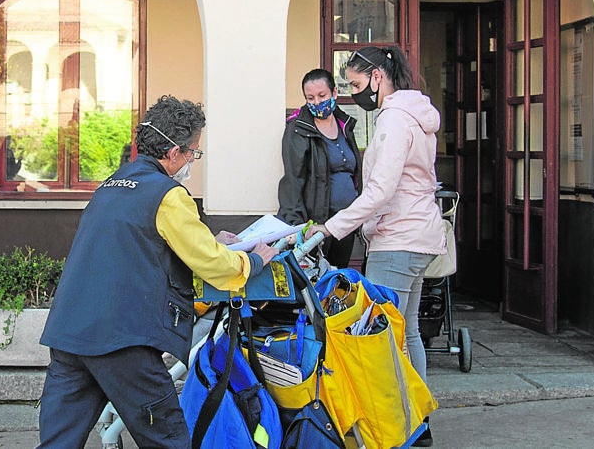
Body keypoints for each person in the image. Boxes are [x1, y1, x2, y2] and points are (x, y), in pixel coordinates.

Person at [38, 95, 280, 449]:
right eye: (193, 153)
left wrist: (211, 240)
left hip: (70, 334)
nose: (192, 161)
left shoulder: (112, 185)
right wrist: (255, 260)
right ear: (173, 153)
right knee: (167, 441)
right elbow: (214, 266)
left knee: (57, 443)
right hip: (123, 342)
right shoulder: (168, 194)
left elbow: (140, 242)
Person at [306, 45, 445, 448]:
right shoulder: (414, 114)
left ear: (378, 77)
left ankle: (403, 430)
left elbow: (380, 190)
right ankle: (418, 422)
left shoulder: (395, 121)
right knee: (409, 333)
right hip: (418, 236)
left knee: (382, 341)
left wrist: (330, 229)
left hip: (398, 240)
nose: (353, 93)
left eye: (355, 83)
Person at [277, 68, 363, 268]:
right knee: (315, 283)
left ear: (334, 93)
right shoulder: (297, 129)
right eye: (311, 97)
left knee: (338, 278)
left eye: (322, 95)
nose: (317, 102)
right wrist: (297, 225)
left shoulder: (345, 125)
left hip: (345, 223)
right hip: (315, 224)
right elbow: (293, 180)